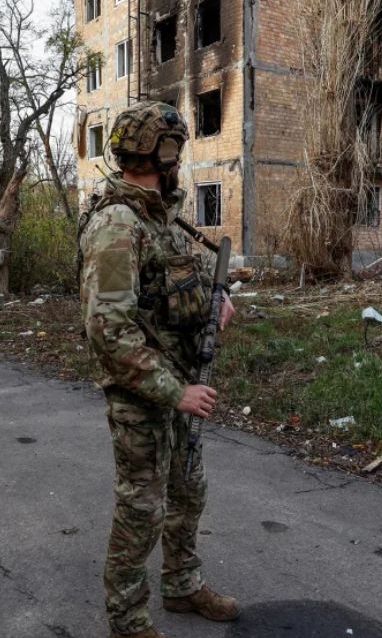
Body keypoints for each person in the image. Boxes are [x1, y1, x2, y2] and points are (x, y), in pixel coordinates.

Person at [78, 102, 239, 638]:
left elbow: (174, 294)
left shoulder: (163, 217)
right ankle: (126, 618)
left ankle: (182, 584)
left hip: (181, 385)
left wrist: (215, 307)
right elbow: (109, 331)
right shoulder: (117, 224)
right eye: (176, 149)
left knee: (188, 493)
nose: (179, 159)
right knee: (141, 508)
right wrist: (176, 392)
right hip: (144, 395)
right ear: (163, 152)